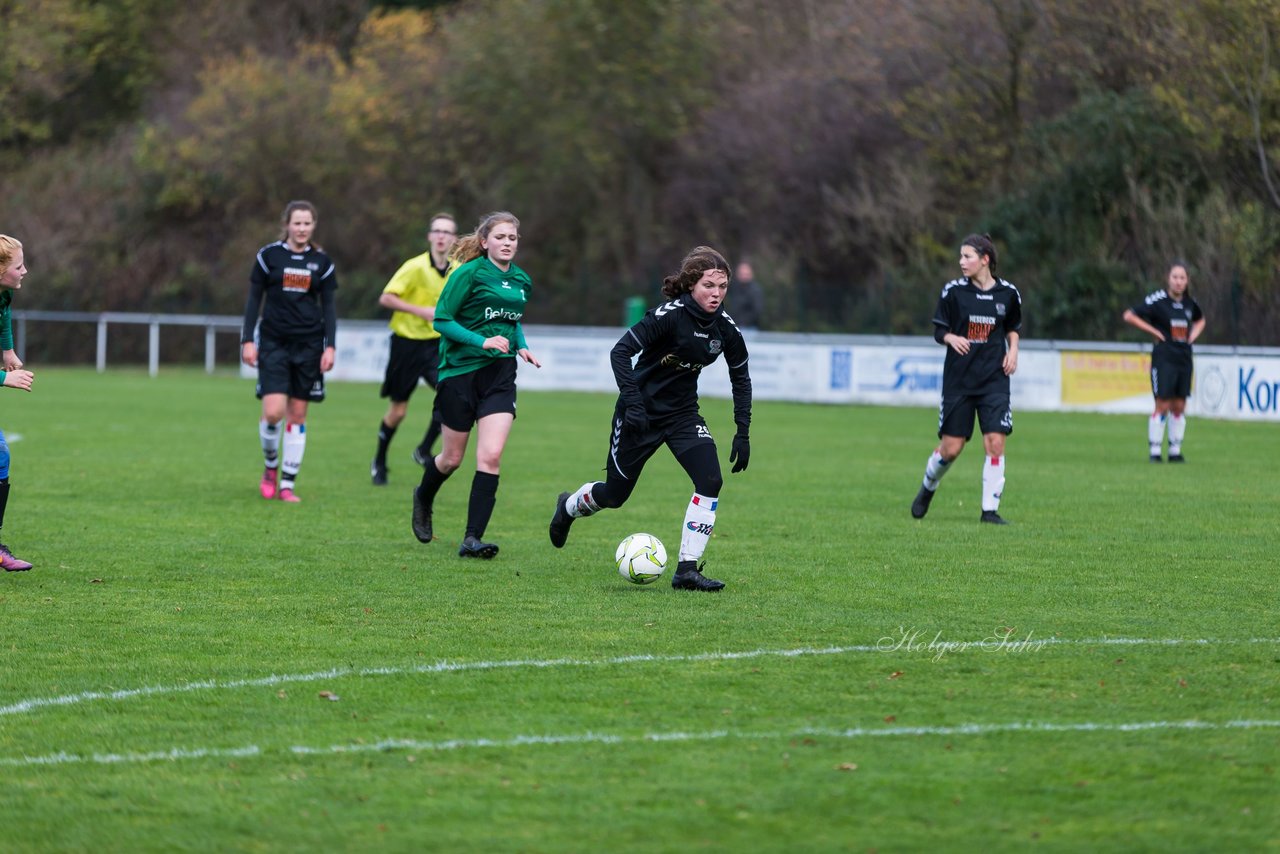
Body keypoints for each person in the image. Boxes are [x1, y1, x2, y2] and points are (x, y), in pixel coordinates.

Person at [548, 246, 753, 592]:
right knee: (614, 495)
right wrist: (634, 404)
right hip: (638, 415)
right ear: (691, 284)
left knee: (710, 480)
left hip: (683, 415)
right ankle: (569, 506)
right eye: (708, 285)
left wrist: (742, 431)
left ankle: (687, 570)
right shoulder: (669, 316)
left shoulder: (726, 330)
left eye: (722, 287)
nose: (716, 294)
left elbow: (741, 377)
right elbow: (620, 352)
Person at [410, 211, 541, 558]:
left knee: (492, 455)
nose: (507, 243)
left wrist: (522, 344)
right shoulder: (468, 273)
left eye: (512, 238)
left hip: (500, 375)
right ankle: (424, 495)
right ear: (485, 242)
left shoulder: (522, 280)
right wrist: (480, 342)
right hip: (460, 373)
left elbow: (511, 321)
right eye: (500, 237)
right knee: (451, 459)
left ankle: (472, 539)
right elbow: (442, 319)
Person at [911, 233, 1022, 524]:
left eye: (967, 256)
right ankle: (928, 485)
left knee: (996, 443)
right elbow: (938, 331)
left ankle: (990, 511)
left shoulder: (1008, 294)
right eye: (960, 256)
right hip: (959, 381)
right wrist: (950, 337)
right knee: (952, 448)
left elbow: (1013, 326)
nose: (961, 262)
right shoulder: (953, 292)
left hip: (994, 380)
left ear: (985, 260)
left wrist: (1014, 351)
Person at [240, 200, 338, 503]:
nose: (302, 228)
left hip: (309, 345)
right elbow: (253, 300)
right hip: (273, 342)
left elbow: (330, 308)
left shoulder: (322, 262)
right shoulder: (268, 257)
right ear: (287, 224)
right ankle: (270, 467)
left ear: (313, 226)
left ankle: (287, 484)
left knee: (297, 413)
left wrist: (330, 346)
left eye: (307, 223)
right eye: (297, 223)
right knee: (273, 413)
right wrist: (247, 340)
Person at [370, 213, 459, 485]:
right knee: (398, 412)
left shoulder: (458, 270)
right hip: (406, 345)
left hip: (436, 345)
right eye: (437, 231)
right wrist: (419, 311)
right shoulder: (414, 267)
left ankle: (423, 450)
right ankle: (380, 461)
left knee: (452, 395)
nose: (442, 236)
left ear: (454, 239)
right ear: (430, 236)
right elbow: (386, 298)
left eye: (447, 232)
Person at [1122, 262, 1205, 462]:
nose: (1178, 282)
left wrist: (1192, 336)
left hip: (1184, 358)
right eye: (1175, 277)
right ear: (1168, 279)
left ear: (1187, 281)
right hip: (1164, 358)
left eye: (1182, 278)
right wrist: (1154, 331)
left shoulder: (1190, 304)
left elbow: (1200, 320)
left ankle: (1175, 451)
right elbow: (1129, 315)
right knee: (1162, 403)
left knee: (1179, 405)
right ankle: (1155, 451)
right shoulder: (1158, 300)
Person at [0, 236, 36, 571]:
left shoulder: (4, 293)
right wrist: (3, 378)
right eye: (18, 266)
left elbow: (4, 317)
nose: (24, 270)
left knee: (0, 456)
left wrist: (8, 352)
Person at [731, 259, 765, 331]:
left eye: (745, 273)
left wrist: (743, 322)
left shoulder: (755, 290)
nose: (743, 275)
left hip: (749, 328)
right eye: (741, 273)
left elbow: (757, 311)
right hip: (735, 326)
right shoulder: (735, 287)